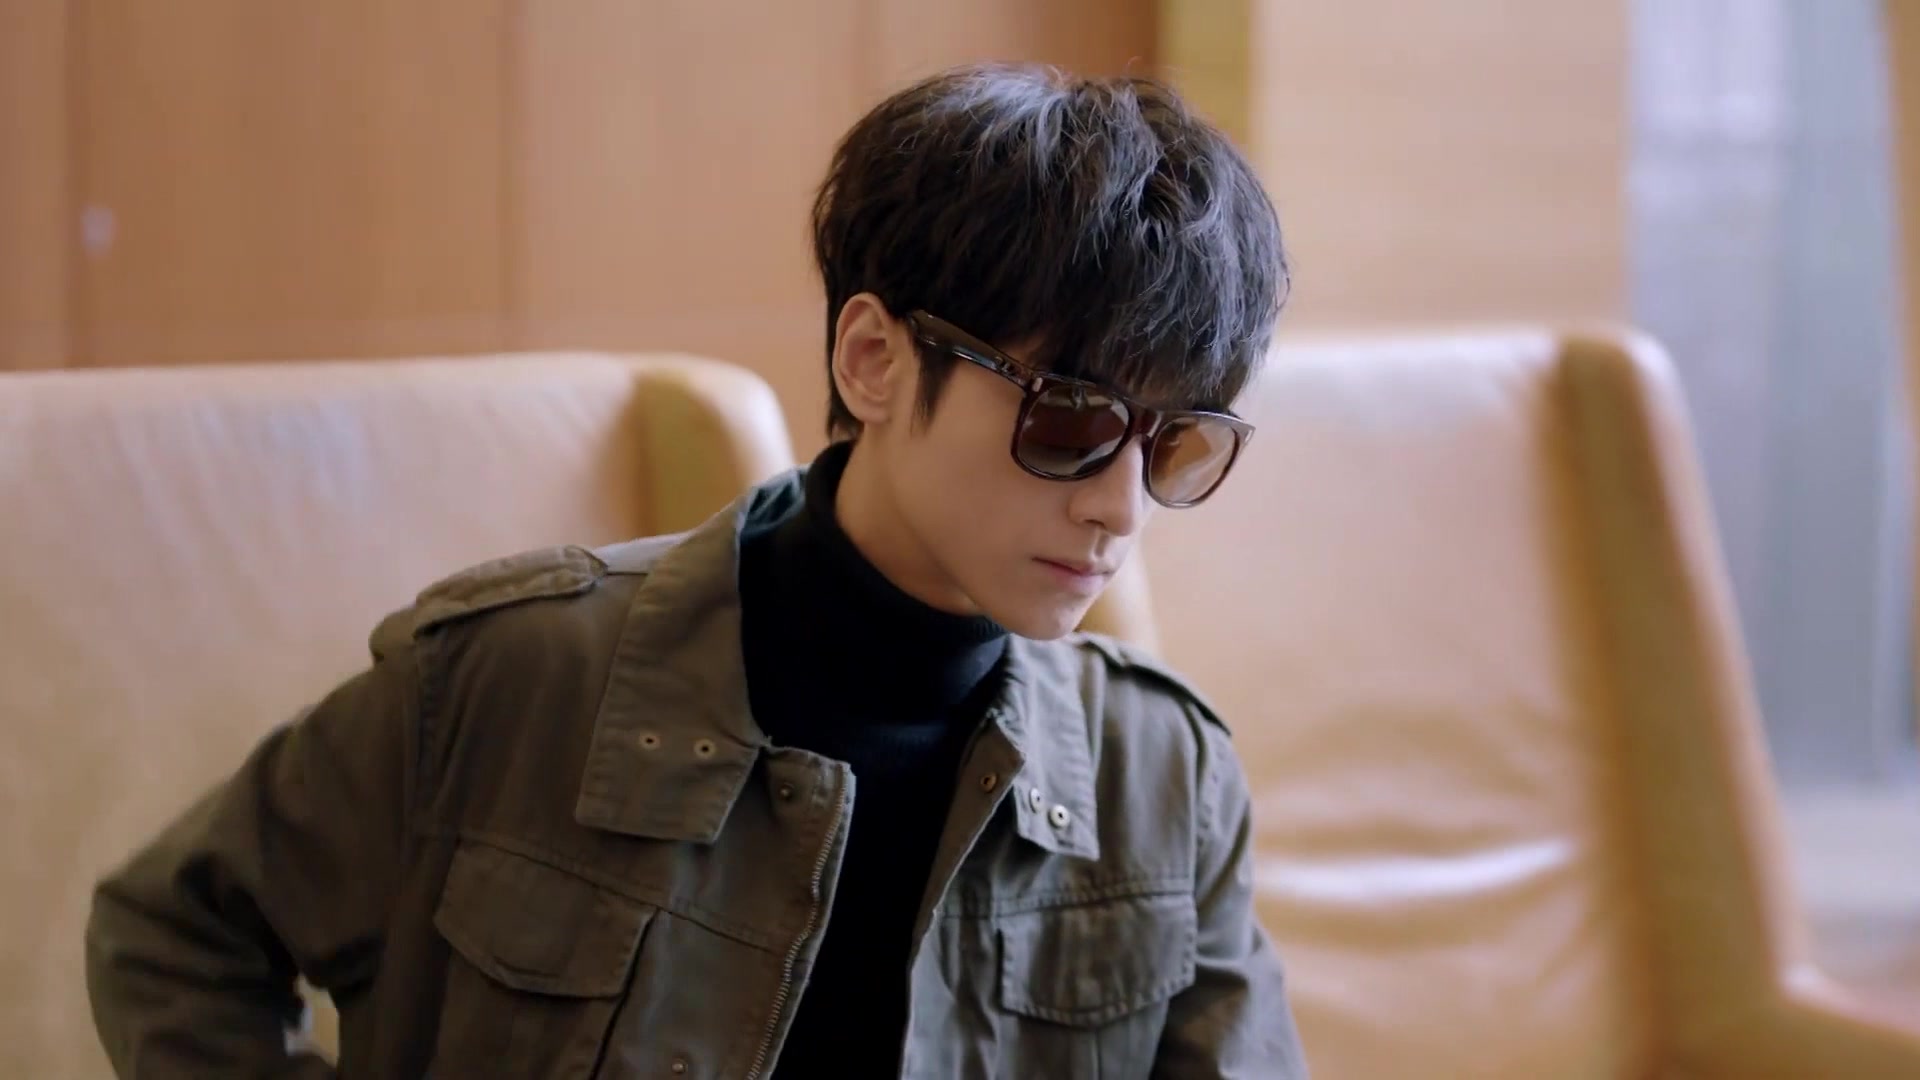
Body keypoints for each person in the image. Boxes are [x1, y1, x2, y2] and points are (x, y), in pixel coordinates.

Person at [84, 62, 1308, 1078]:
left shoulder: (1164, 779)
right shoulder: (508, 683)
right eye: (1072, 421)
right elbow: (175, 936)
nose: (1119, 507)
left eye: (1176, 445)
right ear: (875, 361)